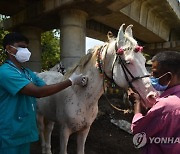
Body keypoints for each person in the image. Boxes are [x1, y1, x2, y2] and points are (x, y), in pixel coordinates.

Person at [0, 32, 87, 154]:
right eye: (22, 47)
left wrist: (74, 85)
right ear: (9, 49)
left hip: (23, 129)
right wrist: (71, 81)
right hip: (9, 132)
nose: (26, 51)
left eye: (27, 47)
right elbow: (38, 92)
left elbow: (47, 88)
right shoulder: (5, 72)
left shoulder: (27, 73)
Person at [130, 51, 180, 153]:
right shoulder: (170, 101)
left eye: (155, 73)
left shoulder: (166, 105)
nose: (151, 76)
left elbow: (138, 133)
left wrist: (137, 103)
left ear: (169, 77)